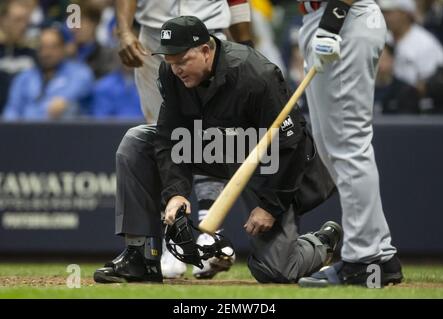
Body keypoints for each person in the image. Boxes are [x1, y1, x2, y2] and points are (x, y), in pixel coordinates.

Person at [93, 16, 340, 284]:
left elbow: (291, 144)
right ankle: (140, 256)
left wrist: (270, 206)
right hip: (214, 148)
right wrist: (175, 193)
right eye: (170, 61)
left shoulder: (256, 74)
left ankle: (324, 240)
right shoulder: (171, 72)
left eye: (182, 60)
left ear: (206, 51)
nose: (176, 69)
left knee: (276, 271)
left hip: (266, 163)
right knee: (138, 141)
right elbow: (168, 137)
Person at [114, 0, 253, 279]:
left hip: (208, 34)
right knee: (162, 134)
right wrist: (124, 31)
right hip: (155, 38)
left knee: (211, 134)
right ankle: (174, 240)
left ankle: (208, 232)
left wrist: (245, 44)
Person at [295, 0, 403, 287]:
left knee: (348, 147)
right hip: (324, 20)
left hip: (343, 18)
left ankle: (362, 262)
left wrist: (331, 23)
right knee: (332, 148)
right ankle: (381, 256)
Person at [2, 26, 94, 120]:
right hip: (25, 131)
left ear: (63, 48)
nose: (46, 53)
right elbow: (11, 110)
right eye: (42, 47)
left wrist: (64, 101)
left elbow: (72, 95)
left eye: (52, 47)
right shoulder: (24, 78)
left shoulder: (79, 73)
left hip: (62, 130)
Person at [0, 0, 36, 113]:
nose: (23, 26)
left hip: (23, 121)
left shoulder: (32, 54)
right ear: (3, 20)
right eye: (17, 20)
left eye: (25, 21)